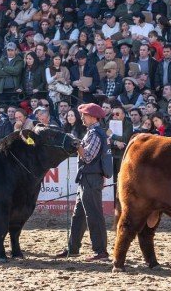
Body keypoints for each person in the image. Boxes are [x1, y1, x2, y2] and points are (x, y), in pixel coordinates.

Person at [57, 103, 109, 261]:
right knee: (79, 215)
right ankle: (73, 248)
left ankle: (101, 251)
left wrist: (77, 144)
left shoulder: (95, 134)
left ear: (93, 117)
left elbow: (87, 157)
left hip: (90, 178)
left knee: (93, 215)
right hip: (89, 177)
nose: (82, 118)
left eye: (84, 115)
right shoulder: (94, 132)